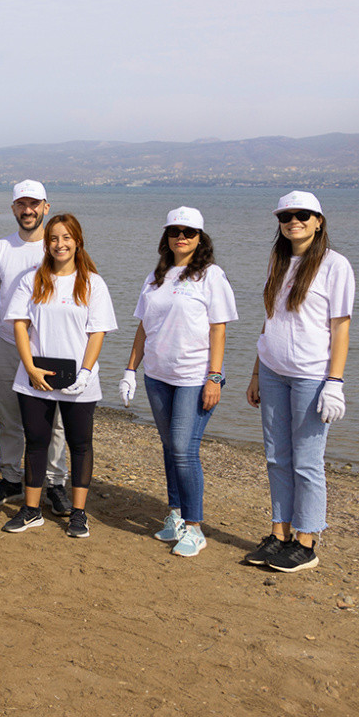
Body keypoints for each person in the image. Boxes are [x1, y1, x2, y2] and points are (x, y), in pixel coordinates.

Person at [245, 191, 354, 573]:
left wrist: (334, 382)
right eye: (287, 215)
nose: (295, 221)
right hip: (274, 372)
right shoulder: (278, 261)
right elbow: (270, 320)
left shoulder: (334, 265)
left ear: (319, 221)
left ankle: (306, 541)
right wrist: (257, 372)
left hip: (311, 375)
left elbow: (340, 327)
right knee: (277, 457)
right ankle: (279, 533)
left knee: (307, 462)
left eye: (303, 215)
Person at [120, 207, 237, 558]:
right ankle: (175, 516)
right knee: (170, 448)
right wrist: (130, 371)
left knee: (185, 451)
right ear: (166, 237)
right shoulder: (157, 277)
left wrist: (214, 377)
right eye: (174, 231)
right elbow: (144, 327)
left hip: (193, 377)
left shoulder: (211, 276)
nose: (180, 237)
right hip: (157, 376)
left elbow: (219, 327)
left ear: (200, 238)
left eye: (188, 232)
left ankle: (196, 527)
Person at [2, 214, 116, 539]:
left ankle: (78, 514)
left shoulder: (92, 282)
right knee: (36, 443)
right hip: (35, 377)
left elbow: (97, 332)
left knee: (80, 444)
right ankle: (31, 510)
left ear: (77, 241)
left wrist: (85, 372)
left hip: (79, 379)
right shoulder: (33, 280)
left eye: (66, 238)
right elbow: (20, 325)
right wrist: (30, 367)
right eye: (53, 238)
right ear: (46, 243)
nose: (60, 244)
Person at [0, 180, 72, 516]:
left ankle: (54, 482)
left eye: (35, 204)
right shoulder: (0, 248)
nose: (28, 210)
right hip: (6, 343)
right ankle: (11, 477)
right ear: (13, 207)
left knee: (55, 420)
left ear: (46, 207)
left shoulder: (59, 246)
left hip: (51, 348)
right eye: (22, 204)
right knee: (9, 416)